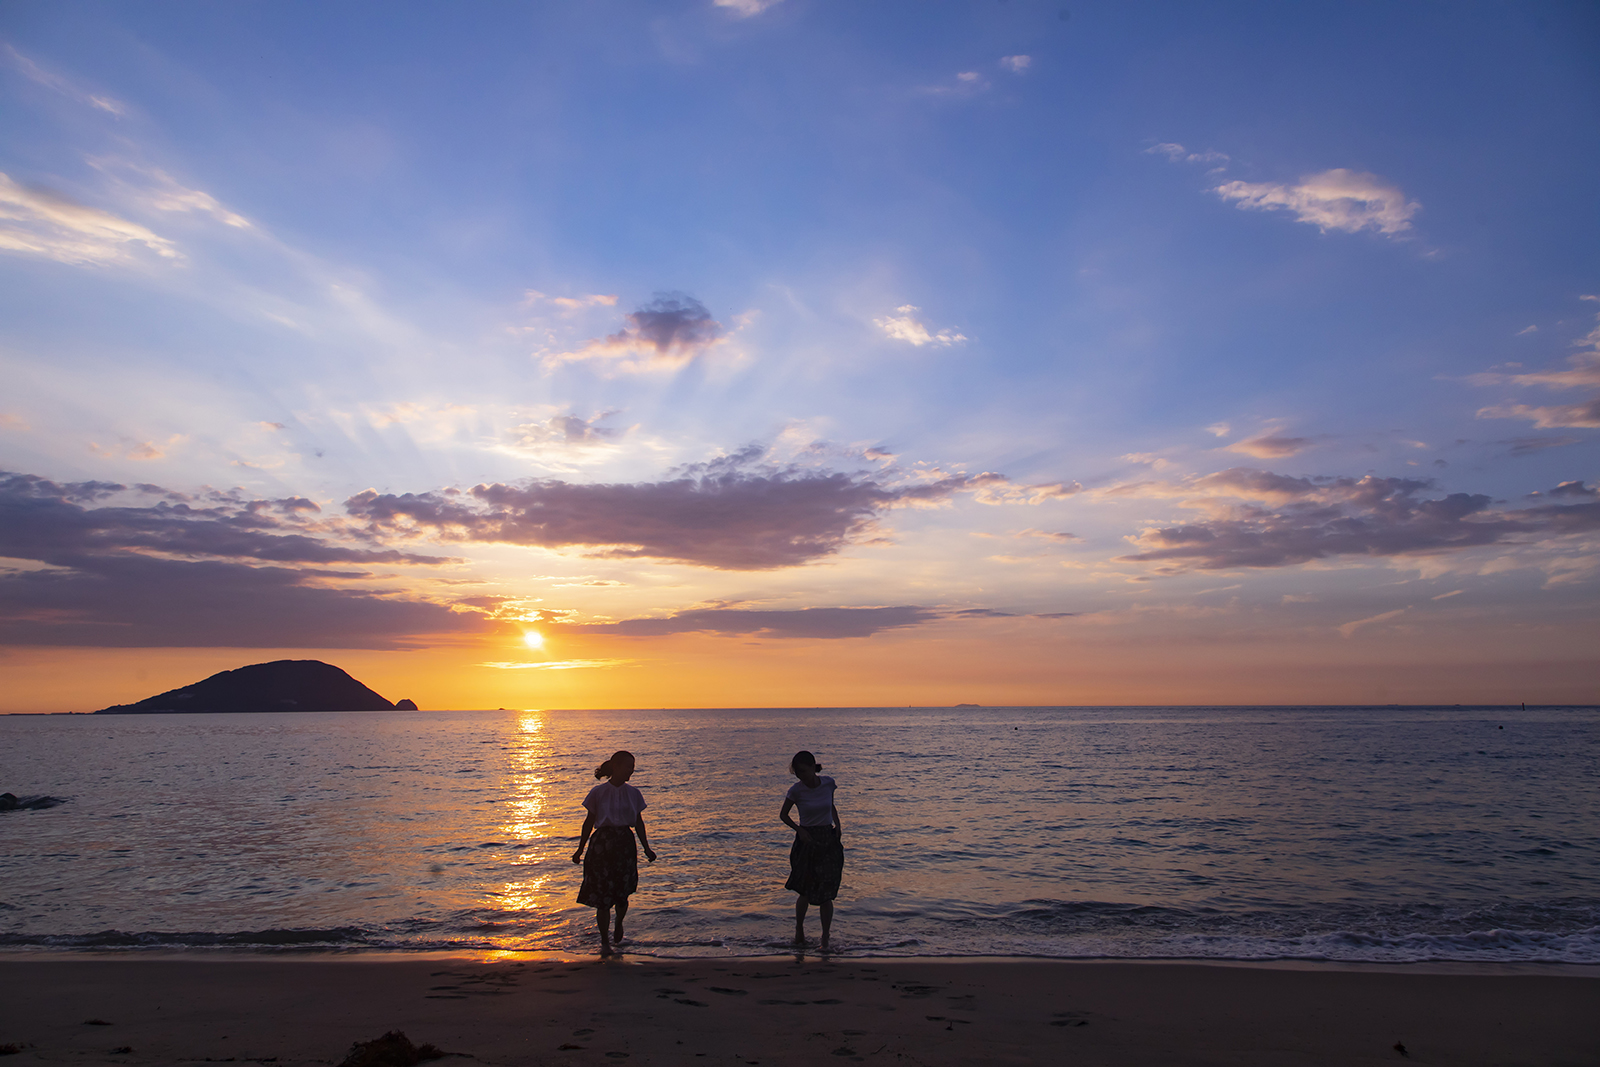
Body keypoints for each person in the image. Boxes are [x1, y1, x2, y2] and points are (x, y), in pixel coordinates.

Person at [572, 750, 656, 955]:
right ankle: (604, 941)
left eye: (633, 767)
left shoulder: (634, 793)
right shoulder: (598, 792)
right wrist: (579, 849)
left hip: (624, 844)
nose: (631, 771)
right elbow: (589, 822)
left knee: (622, 893)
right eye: (628, 766)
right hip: (602, 845)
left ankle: (618, 923)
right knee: (602, 895)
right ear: (616, 767)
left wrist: (647, 848)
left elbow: (638, 823)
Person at [779, 749, 843, 950]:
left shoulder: (828, 783)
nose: (801, 776)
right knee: (805, 890)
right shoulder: (796, 791)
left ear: (813, 768)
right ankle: (799, 930)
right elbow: (783, 815)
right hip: (806, 841)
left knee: (826, 892)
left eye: (804, 771)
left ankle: (825, 937)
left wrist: (838, 825)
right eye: (798, 773)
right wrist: (800, 831)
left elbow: (831, 806)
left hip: (827, 839)